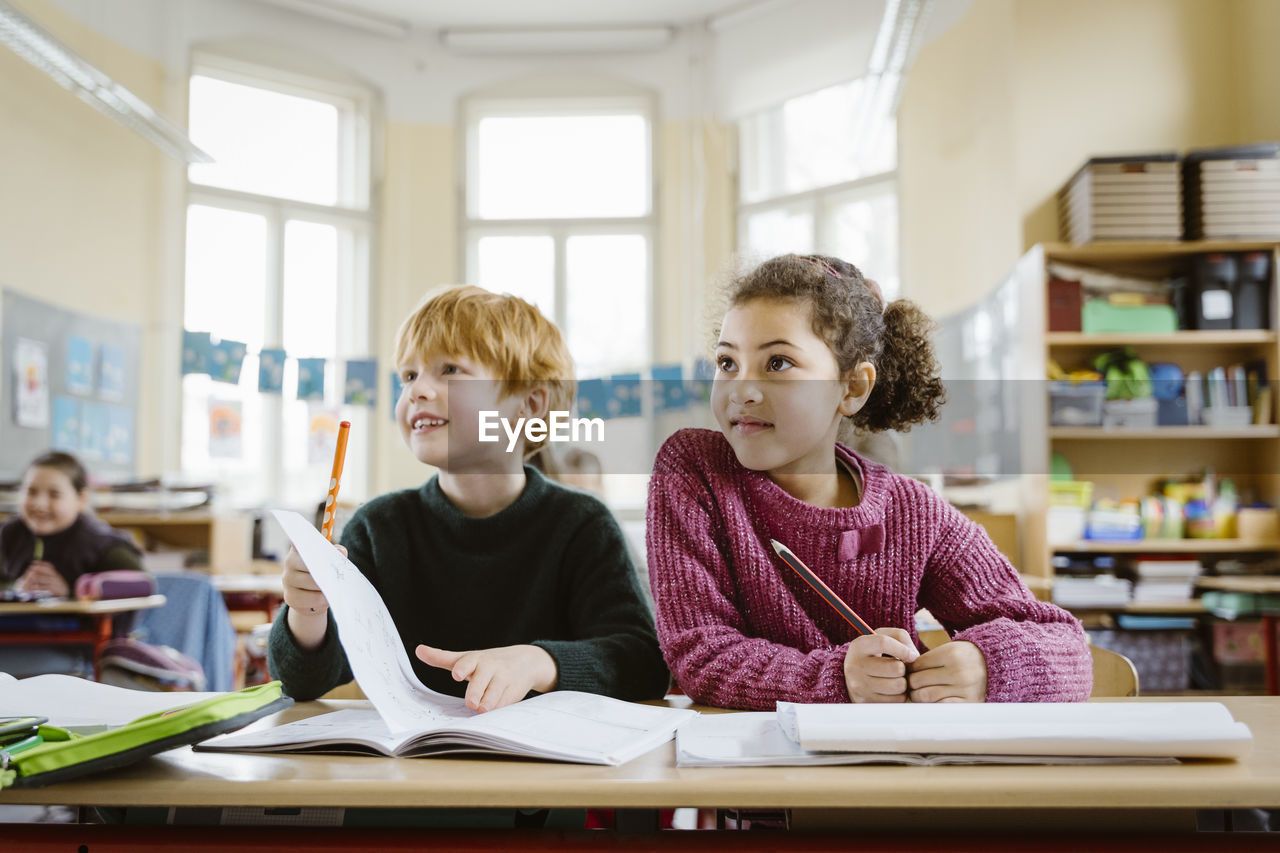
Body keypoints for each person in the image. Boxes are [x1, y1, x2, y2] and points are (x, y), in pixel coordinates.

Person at [646, 254, 1091, 709]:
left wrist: (987, 667)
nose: (742, 389)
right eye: (727, 362)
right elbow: (699, 653)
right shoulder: (692, 468)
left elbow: (1065, 647)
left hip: (884, 772)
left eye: (777, 363)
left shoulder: (913, 513)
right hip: (738, 774)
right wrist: (837, 679)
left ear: (853, 388)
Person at [268, 285, 670, 710]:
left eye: (450, 370)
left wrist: (538, 662)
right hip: (412, 767)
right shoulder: (378, 527)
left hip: (551, 771)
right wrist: (307, 612)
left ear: (529, 405)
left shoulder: (583, 524)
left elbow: (643, 663)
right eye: (408, 375)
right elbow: (301, 684)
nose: (417, 390)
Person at [1, 451, 143, 597]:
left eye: (54, 494)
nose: (40, 504)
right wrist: (15, 590)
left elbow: (142, 585)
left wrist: (72, 592)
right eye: (31, 492)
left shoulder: (101, 543)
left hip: (80, 619)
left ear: (81, 499)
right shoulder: (7, 534)